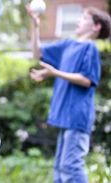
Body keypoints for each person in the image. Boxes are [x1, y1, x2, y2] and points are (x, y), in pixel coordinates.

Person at [26, 5, 111, 183]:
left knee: (71, 167)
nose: (79, 21)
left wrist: (55, 73)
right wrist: (35, 26)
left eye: (84, 18)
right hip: (65, 116)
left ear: (96, 27)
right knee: (60, 168)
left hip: (77, 117)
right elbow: (37, 53)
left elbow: (87, 80)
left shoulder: (90, 48)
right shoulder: (67, 45)